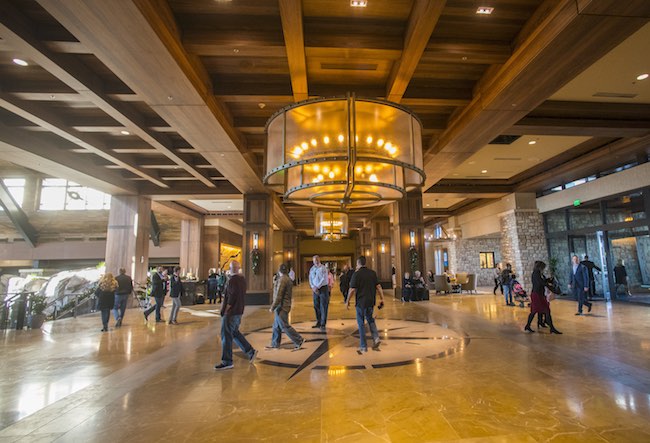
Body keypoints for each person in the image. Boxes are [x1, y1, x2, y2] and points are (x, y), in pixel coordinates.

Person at [215, 261, 258, 370]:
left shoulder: (232, 281)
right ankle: (250, 351)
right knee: (234, 333)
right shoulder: (242, 280)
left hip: (231, 312)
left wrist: (225, 310)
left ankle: (227, 361)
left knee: (226, 336)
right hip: (239, 311)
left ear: (231, 268)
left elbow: (231, 297)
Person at [346, 256, 385, 353]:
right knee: (370, 320)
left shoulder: (356, 274)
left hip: (360, 303)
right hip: (371, 301)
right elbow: (378, 286)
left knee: (361, 323)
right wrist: (382, 298)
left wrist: (347, 301)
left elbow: (352, 290)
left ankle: (363, 346)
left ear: (358, 263)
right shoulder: (372, 273)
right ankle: (376, 338)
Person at [266, 264, 304, 350]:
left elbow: (279, 295)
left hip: (282, 307)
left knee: (284, 326)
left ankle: (299, 340)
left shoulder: (282, 280)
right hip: (284, 305)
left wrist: (273, 307)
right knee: (276, 326)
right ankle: (275, 343)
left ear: (279, 271)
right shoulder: (287, 279)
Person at [524, 261, 562, 334]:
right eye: (543, 267)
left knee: (541, 311)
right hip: (536, 295)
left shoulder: (538, 273)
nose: (544, 269)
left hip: (539, 294)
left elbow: (542, 281)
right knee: (537, 311)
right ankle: (551, 328)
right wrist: (551, 288)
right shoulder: (536, 273)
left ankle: (529, 326)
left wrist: (549, 280)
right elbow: (541, 283)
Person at [309, 255, 330, 330]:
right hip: (315, 289)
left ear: (319, 260)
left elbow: (324, 279)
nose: (316, 261)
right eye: (314, 260)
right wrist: (313, 287)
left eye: (317, 260)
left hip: (323, 288)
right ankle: (318, 321)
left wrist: (317, 286)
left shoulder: (323, 268)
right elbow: (310, 278)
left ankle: (323, 323)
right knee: (316, 306)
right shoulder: (312, 269)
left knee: (323, 306)